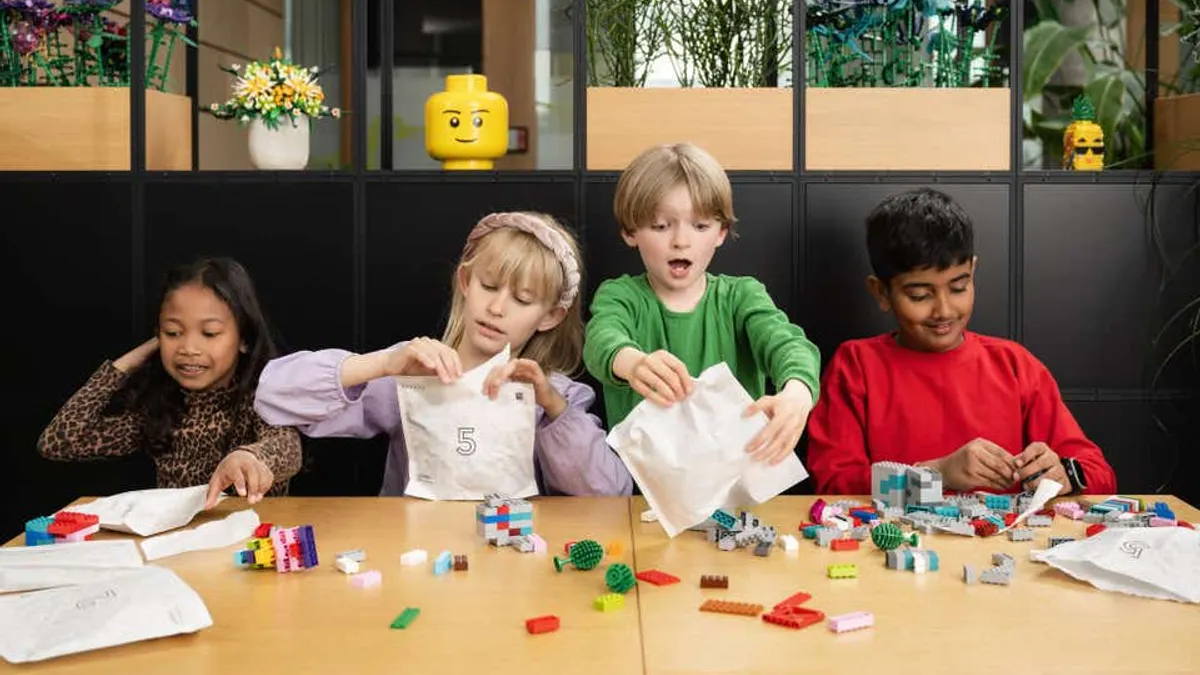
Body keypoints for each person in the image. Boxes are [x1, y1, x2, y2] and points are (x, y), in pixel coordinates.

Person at [254, 211, 632, 496]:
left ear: (550, 316)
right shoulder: (414, 373)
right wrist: (384, 363)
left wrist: (551, 405)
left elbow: (609, 492)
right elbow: (274, 394)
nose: (497, 308)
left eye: (522, 299)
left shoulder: (558, 396)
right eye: (489, 286)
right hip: (415, 556)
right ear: (465, 281)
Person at [805, 188, 1117, 496]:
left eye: (958, 288)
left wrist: (1064, 475)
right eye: (920, 295)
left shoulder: (1014, 364)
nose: (944, 310)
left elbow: (1099, 474)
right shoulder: (856, 366)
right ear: (881, 292)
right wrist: (937, 475)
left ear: (973, 272)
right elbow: (834, 485)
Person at [584, 142, 822, 465]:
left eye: (700, 226)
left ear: (721, 232)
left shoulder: (742, 297)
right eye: (661, 226)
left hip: (737, 481)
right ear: (630, 232)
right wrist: (632, 363)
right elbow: (601, 339)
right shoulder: (620, 296)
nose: (681, 241)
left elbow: (789, 345)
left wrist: (796, 394)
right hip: (643, 485)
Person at [38, 257, 302, 508]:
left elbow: (288, 448)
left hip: (253, 534)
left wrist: (251, 457)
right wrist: (126, 364)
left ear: (244, 338)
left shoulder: (263, 395)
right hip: (180, 537)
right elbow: (58, 443)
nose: (188, 348)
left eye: (209, 333)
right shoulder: (159, 405)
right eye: (173, 332)